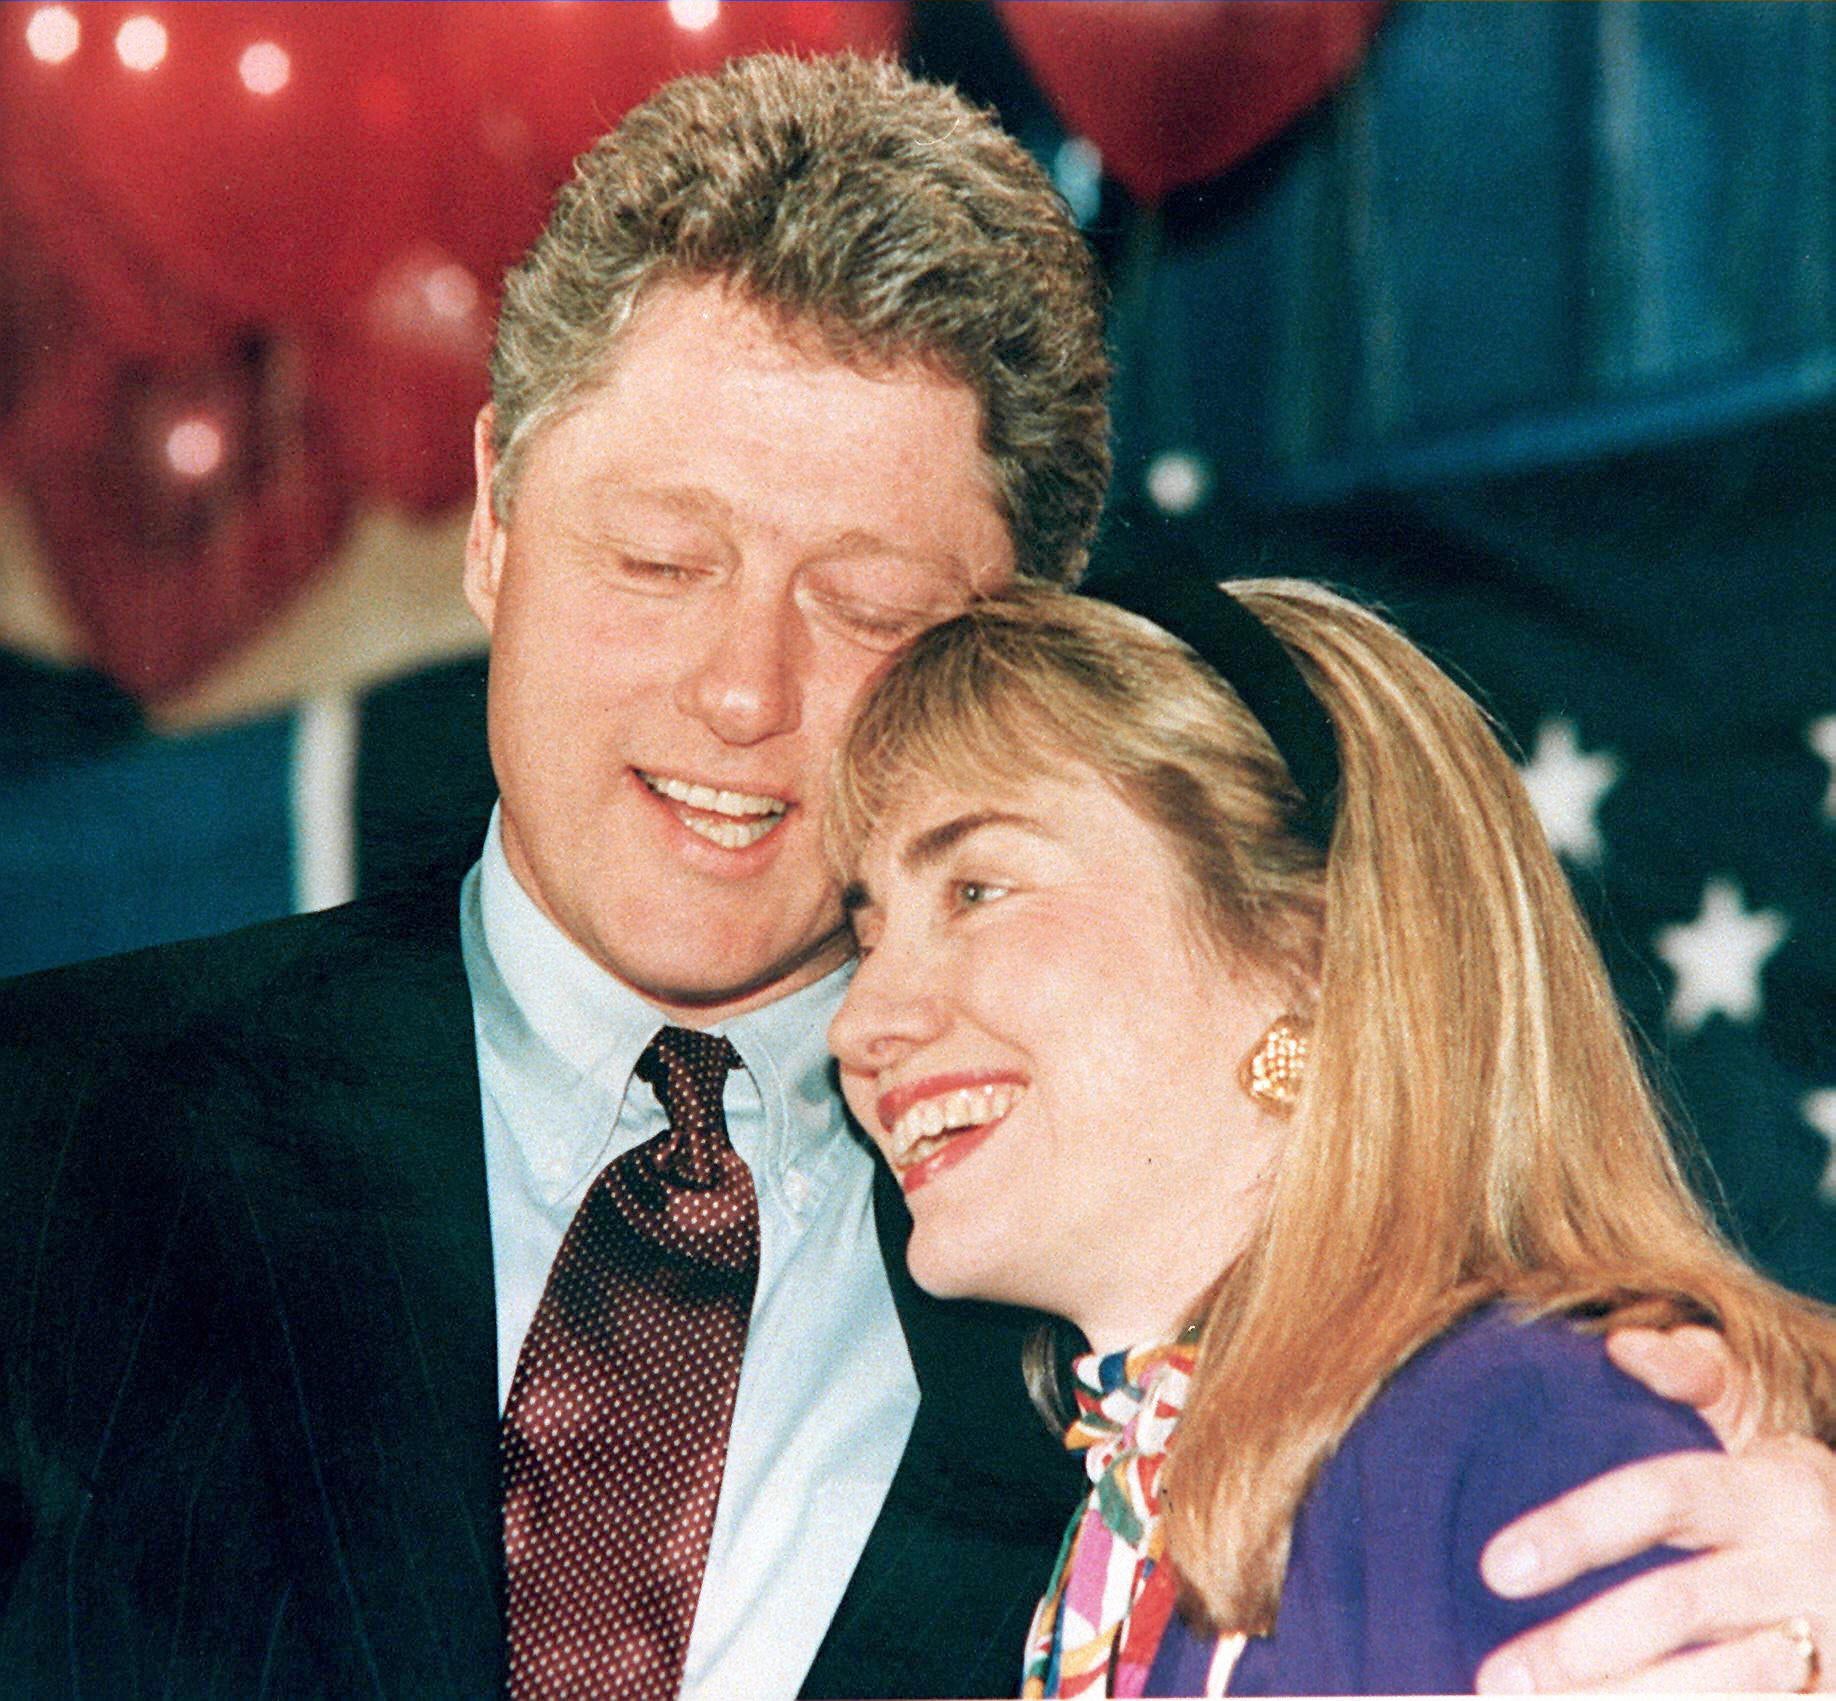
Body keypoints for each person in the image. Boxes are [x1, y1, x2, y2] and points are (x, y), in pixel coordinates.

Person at [0, 48, 1831, 1701]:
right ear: (490, 516)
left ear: (1020, 658)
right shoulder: (50, 1140)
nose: (742, 689)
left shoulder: (1135, 1277)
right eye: (656, 558)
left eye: (868, 609)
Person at [828, 576, 1836, 1696]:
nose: (862, 1024)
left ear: (1310, 951)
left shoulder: (1513, 1432)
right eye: (865, 936)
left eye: (975, 889)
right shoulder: (1138, 1522)